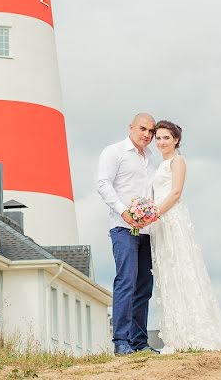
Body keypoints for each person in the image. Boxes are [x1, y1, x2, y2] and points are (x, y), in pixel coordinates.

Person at [149, 120, 221, 353]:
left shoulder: (178, 161)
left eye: (166, 137)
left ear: (176, 140)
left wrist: (154, 212)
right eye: (158, 138)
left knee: (182, 269)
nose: (161, 142)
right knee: (167, 274)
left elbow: (175, 193)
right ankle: (176, 337)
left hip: (172, 218)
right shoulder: (159, 165)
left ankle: (197, 332)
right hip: (160, 223)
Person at [95, 113, 159, 355]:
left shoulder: (151, 159)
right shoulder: (114, 152)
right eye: (143, 129)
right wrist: (123, 212)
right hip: (123, 228)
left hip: (148, 230)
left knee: (144, 285)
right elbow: (103, 184)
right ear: (131, 127)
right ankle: (120, 341)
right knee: (126, 281)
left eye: (151, 132)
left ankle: (139, 342)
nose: (147, 135)